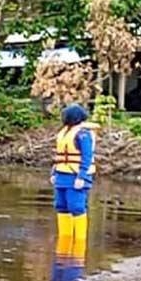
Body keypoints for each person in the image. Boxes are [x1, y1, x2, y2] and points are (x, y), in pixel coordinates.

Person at [52, 103, 97, 244]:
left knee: (76, 206)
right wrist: (54, 172)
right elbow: (59, 155)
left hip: (76, 175)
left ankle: (79, 242)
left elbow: (87, 156)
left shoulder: (83, 134)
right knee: (61, 205)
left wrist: (82, 176)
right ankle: (64, 240)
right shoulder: (64, 132)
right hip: (61, 174)